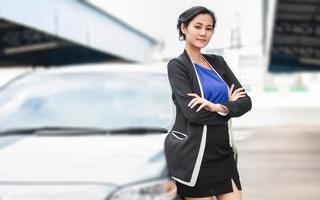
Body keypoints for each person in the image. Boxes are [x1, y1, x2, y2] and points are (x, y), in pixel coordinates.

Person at [164, 6, 252, 200]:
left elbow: (246, 102)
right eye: (198, 26)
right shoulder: (178, 66)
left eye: (209, 28)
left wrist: (218, 107)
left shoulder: (218, 62)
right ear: (184, 28)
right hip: (194, 156)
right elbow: (194, 114)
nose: (203, 33)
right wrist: (229, 106)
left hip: (222, 153)